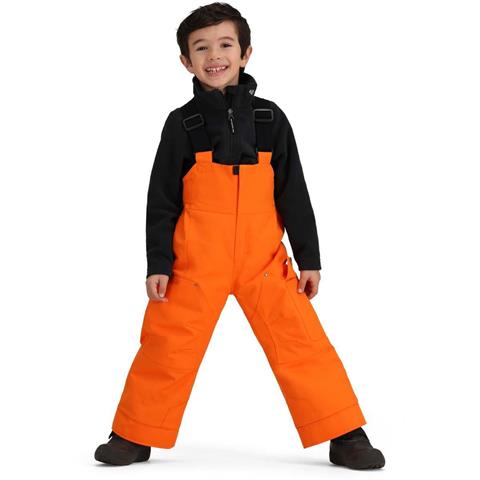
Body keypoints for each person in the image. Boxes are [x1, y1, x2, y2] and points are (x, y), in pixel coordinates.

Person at [94, 2, 385, 470]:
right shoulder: (181, 124)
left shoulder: (271, 119)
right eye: (201, 48)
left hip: (263, 260)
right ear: (186, 61)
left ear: (245, 53)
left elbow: (294, 192)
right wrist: (158, 264)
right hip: (194, 263)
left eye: (225, 45)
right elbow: (161, 200)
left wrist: (309, 258)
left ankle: (345, 434)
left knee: (301, 342)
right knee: (167, 345)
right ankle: (134, 434)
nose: (215, 56)